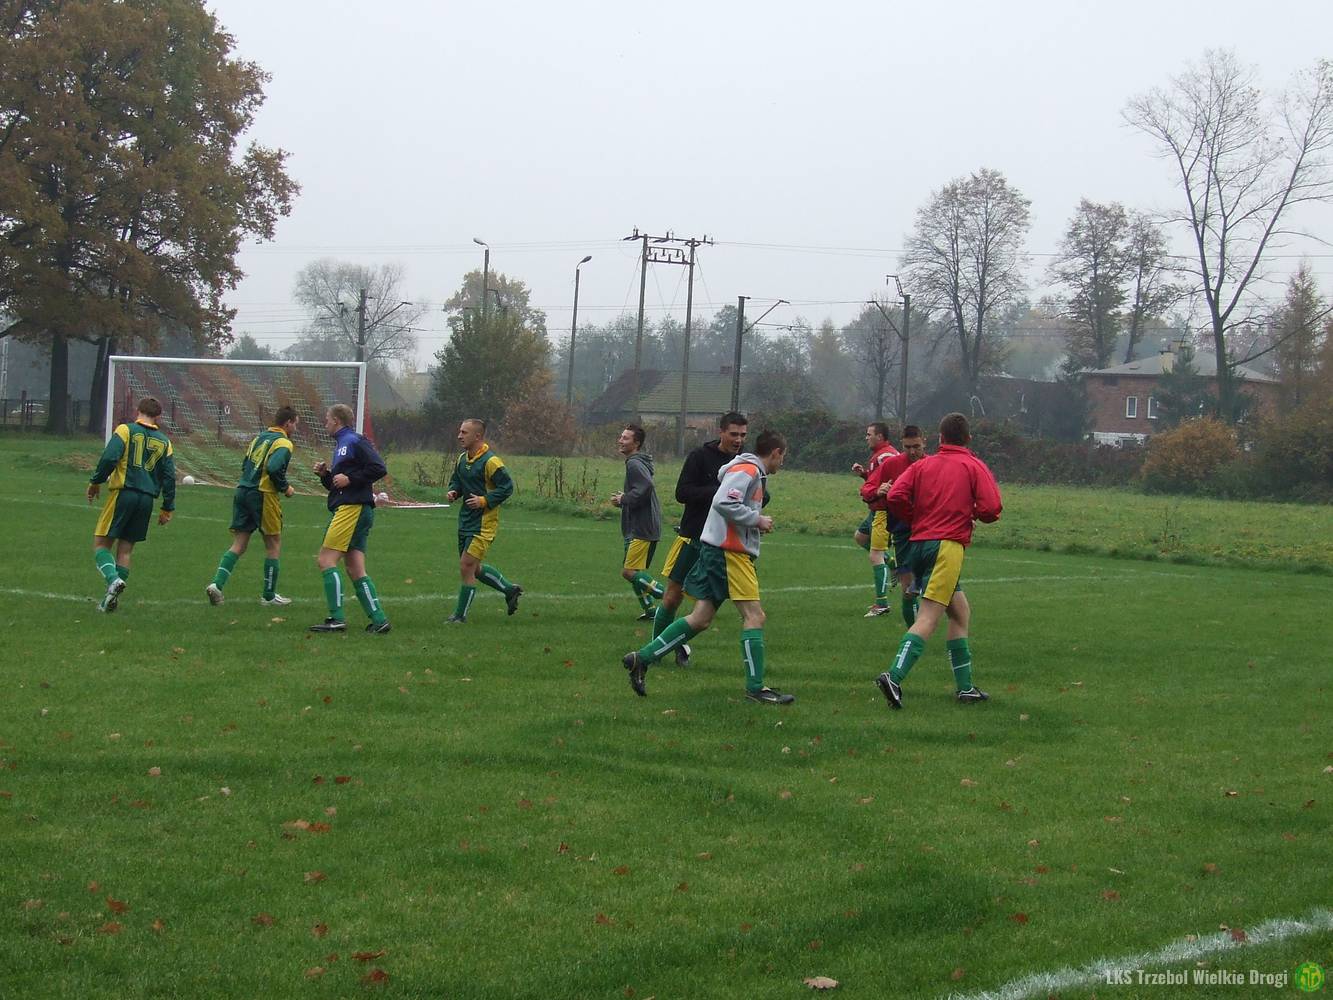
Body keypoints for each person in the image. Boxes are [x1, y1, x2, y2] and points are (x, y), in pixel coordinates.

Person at [623, 429, 793, 705]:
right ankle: (755, 689)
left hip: (721, 552)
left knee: (700, 618)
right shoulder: (748, 469)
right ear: (775, 453)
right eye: (783, 456)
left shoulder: (748, 470)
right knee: (755, 616)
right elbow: (723, 502)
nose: (782, 462)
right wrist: (757, 520)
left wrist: (751, 525)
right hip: (730, 554)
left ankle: (641, 659)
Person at [875, 413, 1001, 709]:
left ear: (940, 438)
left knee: (960, 612)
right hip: (947, 547)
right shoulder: (973, 465)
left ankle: (965, 688)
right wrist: (969, 513)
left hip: (918, 544)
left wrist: (915, 517)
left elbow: (896, 496)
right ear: (968, 438)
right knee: (929, 616)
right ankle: (893, 677)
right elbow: (992, 508)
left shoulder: (923, 464)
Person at [651, 411, 752, 667]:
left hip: (724, 546)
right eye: (733, 434)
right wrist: (719, 493)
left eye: (743, 435)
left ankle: (672, 647)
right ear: (721, 432)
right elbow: (682, 492)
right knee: (672, 598)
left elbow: (761, 495)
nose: (738, 440)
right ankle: (655, 654)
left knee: (705, 611)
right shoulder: (700, 456)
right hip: (692, 538)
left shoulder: (745, 463)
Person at [86, 397, 176, 613]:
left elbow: (109, 458)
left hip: (124, 494)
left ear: (138, 411)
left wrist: (96, 481)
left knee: (101, 544)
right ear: (158, 417)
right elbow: (169, 477)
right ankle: (109, 600)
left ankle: (113, 580)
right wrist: (167, 507)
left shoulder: (125, 430)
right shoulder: (165, 442)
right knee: (125, 551)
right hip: (146, 500)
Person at [308, 404, 391, 634]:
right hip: (356, 508)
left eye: (327, 419)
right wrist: (326, 476)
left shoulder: (354, 440)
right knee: (355, 568)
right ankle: (379, 620)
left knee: (326, 560)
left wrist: (350, 478)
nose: (325, 423)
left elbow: (378, 468)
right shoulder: (342, 445)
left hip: (352, 510)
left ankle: (336, 618)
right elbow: (339, 485)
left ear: (336, 420)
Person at [205, 406, 299, 607]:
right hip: (262, 494)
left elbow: (245, 464)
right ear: (288, 423)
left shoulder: (258, 438)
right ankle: (268, 596)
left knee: (239, 544)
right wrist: (285, 487)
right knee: (273, 544)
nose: (295, 428)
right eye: (295, 424)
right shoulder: (284, 443)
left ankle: (216, 585)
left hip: (243, 490)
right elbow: (274, 467)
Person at [444, 418, 521, 623]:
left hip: (483, 524)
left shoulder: (491, 462)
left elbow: (507, 487)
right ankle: (509, 590)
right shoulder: (462, 459)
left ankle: (459, 616)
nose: (459, 436)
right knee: (474, 568)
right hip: (465, 521)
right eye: (460, 431)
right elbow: (457, 481)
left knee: (466, 566)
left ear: (478, 436)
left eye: (464, 432)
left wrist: (484, 500)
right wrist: (454, 491)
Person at [860, 424, 927, 625]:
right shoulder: (892, 464)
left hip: (929, 530)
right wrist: (877, 490)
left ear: (924, 442)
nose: (912, 452)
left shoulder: (933, 464)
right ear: (902, 445)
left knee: (936, 587)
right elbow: (867, 488)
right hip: (902, 532)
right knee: (908, 590)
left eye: (916, 446)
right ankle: (914, 634)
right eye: (907, 447)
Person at [611, 424, 665, 621]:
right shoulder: (635, 462)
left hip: (641, 528)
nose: (620, 440)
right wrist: (624, 500)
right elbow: (641, 491)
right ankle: (651, 611)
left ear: (636, 443)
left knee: (629, 572)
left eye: (625, 438)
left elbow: (646, 486)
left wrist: (625, 498)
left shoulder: (634, 463)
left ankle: (667, 596)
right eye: (621, 437)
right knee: (635, 571)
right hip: (638, 525)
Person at [851, 422, 900, 617]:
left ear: (879, 436)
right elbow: (880, 481)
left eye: (869, 434)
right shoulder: (880, 456)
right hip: (875, 509)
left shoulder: (886, 456)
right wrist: (865, 475)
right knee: (860, 537)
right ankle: (893, 564)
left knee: (875, 556)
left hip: (883, 512)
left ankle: (882, 604)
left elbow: (893, 481)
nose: (866, 437)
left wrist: (875, 492)